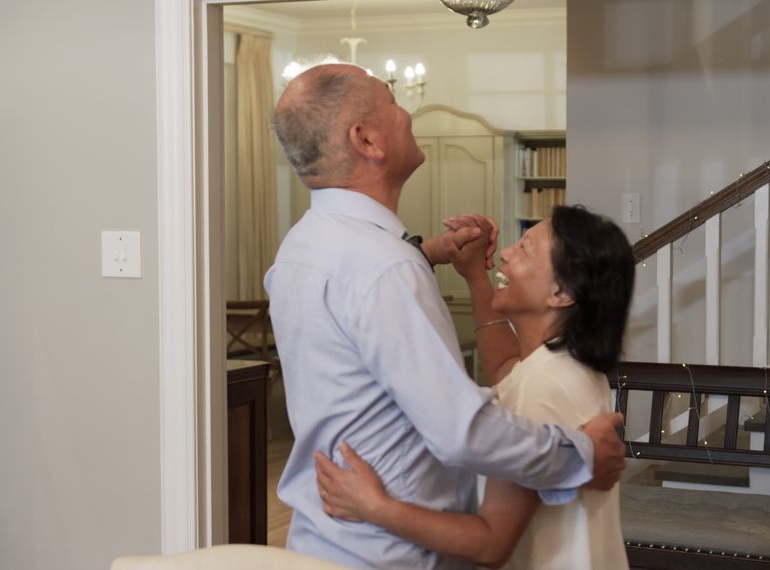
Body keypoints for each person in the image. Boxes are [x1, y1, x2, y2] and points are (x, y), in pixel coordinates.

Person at [264, 63, 626, 569]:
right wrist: (581, 456)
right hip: (390, 555)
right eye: (392, 101)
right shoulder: (383, 268)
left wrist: (427, 254)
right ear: (367, 139)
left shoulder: (302, 248)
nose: (406, 111)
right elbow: (462, 431)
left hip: (326, 541)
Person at [316, 206, 635, 569]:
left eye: (525, 248)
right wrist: (475, 277)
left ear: (561, 292)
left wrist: (374, 506)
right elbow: (504, 368)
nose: (506, 253)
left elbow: (490, 542)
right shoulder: (566, 367)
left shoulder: (542, 386)